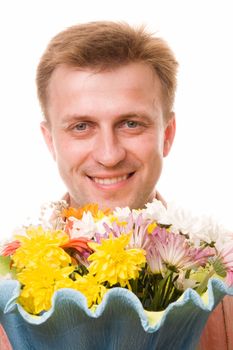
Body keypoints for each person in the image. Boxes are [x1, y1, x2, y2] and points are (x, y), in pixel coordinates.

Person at [1, 21, 232, 349]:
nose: (109, 155)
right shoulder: (8, 285)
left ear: (167, 134)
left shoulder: (223, 274)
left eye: (131, 124)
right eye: (82, 126)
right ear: (50, 141)